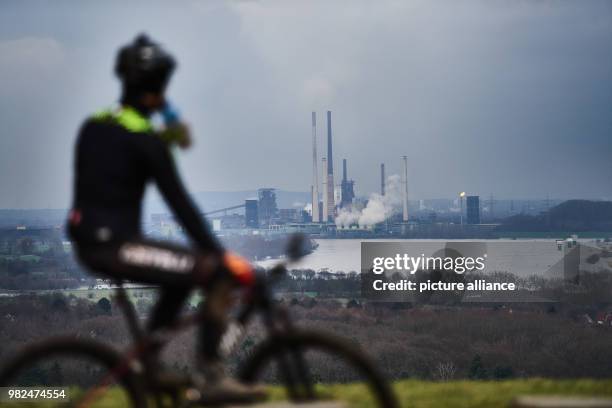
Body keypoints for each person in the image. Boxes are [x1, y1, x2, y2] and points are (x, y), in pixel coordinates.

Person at [68, 34, 265, 403]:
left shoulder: (95, 124)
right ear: (158, 89)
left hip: (91, 240)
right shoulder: (145, 139)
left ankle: (149, 368)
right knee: (213, 272)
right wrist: (221, 256)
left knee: (182, 276)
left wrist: (161, 124)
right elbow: (181, 204)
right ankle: (209, 374)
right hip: (114, 245)